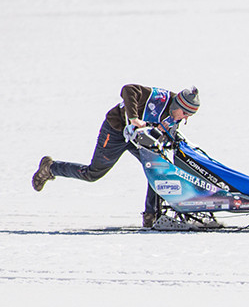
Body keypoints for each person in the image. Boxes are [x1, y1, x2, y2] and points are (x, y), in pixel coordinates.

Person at [32, 84, 201, 227]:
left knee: (159, 169)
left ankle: (151, 216)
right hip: (116, 131)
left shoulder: (175, 116)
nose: (185, 119)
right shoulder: (160, 99)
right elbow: (128, 90)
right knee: (93, 174)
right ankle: (50, 168)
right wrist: (134, 118)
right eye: (185, 114)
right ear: (177, 105)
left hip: (140, 139)